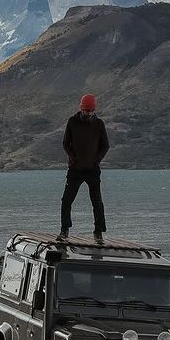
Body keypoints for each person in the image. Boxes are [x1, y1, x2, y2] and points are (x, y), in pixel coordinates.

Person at [59, 93, 108, 242]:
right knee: (66, 200)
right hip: (75, 170)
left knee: (97, 202)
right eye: (86, 110)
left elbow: (105, 146)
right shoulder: (72, 122)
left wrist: (97, 160)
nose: (89, 113)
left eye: (91, 111)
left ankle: (98, 232)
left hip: (92, 170)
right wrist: (73, 158)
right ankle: (64, 230)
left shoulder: (99, 124)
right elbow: (65, 143)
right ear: (81, 109)